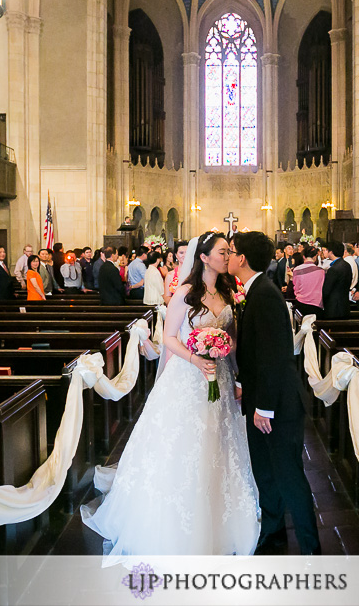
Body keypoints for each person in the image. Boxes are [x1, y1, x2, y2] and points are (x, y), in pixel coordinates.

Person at [83, 232, 260, 558]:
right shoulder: (186, 293)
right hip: (188, 377)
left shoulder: (227, 291)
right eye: (222, 251)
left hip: (218, 375)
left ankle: (220, 506)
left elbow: (233, 338)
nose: (227, 256)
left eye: (228, 251)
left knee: (218, 439)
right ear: (204, 257)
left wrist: (231, 366)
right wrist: (197, 357)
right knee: (187, 441)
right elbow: (168, 338)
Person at [229, 231, 320, 555]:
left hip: (276, 407)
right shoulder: (256, 291)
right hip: (261, 400)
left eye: (232, 251)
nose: (227, 256)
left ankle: (311, 550)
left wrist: (264, 406)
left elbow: (275, 356)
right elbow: (257, 353)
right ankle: (273, 533)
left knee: (289, 478)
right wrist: (244, 385)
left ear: (242, 259)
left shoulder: (265, 294)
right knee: (266, 474)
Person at [321, 240, 352, 319]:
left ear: (331, 252)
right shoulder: (347, 265)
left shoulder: (334, 269)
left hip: (334, 308)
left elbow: (326, 290)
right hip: (344, 305)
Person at [290, 249, 323, 317]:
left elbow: (296, 286)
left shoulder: (297, 269)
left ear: (304, 257)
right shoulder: (321, 271)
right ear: (315, 256)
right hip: (316, 304)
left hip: (301, 302)